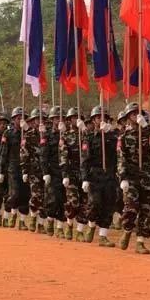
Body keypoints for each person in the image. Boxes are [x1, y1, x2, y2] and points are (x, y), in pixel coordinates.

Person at [117, 103, 150, 254]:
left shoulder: (149, 133)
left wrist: (146, 128)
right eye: (132, 114)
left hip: (147, 176)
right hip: (131, 176)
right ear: (127, 118)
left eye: (137, 113)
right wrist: (123, 177)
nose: (135, 116)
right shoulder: (124, 137)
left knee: (147, 210)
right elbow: (121, 158)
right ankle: (127, 231)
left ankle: (140, 242)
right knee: (131, 208)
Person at [80, 105, 118, 247]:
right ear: (94, 120)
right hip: (94, 175)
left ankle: (103, 235)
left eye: (103, 118)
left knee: (108, 205)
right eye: (97, 117)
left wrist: (109, 135)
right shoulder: (89, 138)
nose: (100, 120)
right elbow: (84, 159)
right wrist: (84, 178)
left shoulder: (114, 136)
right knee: (94, 203)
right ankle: (91, 225)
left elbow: (118, 151)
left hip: (109, 174)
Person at [60, 107, 88, 241]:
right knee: (73, 202)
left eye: (77, 117)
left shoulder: (86, 134)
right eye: (72, 118)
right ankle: (70, 224)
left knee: (85, 203)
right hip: (71, 172)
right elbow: (63, 156)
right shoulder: (65, 136)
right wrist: (65, 174)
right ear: (69, 120)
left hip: (85, 173)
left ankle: (80, 231)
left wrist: (84, 131)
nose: (75, 120)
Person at [0, 107, 30, 230]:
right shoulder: (8, 134)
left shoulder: (28, 133)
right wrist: (1, 171)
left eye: (23, 118)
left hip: (26, 167)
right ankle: (7, 216)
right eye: (18, 118)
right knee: (14, 193)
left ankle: (22, 221)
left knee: (25, 194)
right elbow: (3, 153)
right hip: (13, 167)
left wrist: (27, 130)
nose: (21, 120)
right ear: (13, 120)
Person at [41, 106, 67, 237]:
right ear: (52, 120)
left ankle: (60, 227)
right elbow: (43, 155)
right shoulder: (47, 136)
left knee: (64, 200)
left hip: (65, 171)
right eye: (56, 118)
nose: (58, 120)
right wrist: (45, 172)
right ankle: (50, 221)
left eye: (61, 118)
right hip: (52, 171)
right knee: (52, 200)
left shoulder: (68, 134)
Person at [20, 108, 47, 233]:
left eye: (42, 119)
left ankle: (41, 224)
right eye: (37, 119)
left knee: (46, 198)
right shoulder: (28, 135)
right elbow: (24, 153)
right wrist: (25, 170)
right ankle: (32, 218)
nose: (39, 121)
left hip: (47, 170)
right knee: (36, 196)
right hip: (34, 169)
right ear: (33, 121)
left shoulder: (49, 134)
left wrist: (46, 135)